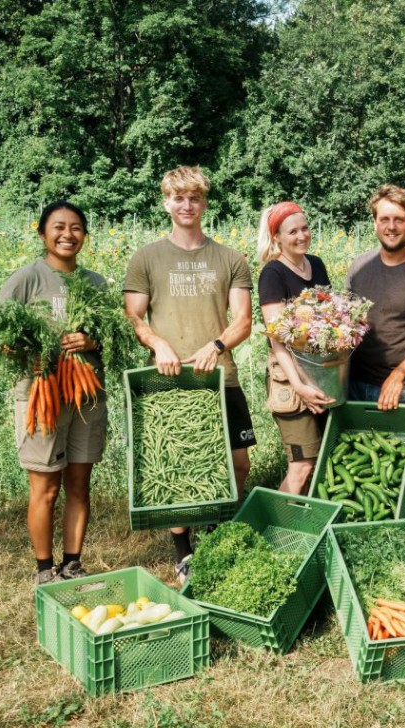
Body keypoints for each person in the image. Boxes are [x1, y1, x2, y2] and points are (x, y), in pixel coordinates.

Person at [123, 166, 255, 584]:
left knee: (237, 464)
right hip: (169, 380)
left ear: (204, 203)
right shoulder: (146, 258)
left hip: (220, 377)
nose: (186, 205)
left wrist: (216, 346)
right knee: (176, 465)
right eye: (178, 198)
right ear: (166, 203)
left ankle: (216, 530)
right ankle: (184, 553)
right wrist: (159, 344)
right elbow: (134, 317)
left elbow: (244, 321)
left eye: (194, 198)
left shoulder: (230, 258)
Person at [0, 201, 107, 584]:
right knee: (45, 486)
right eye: (58, 227)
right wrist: (31, 352)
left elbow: (110, 338)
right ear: (42, 233)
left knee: (79, 482)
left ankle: (72, 563)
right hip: (40, 393)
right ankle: (45, 570)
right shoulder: (26, 278)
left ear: (84, 236)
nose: (67, 234)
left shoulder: (95, 283)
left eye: (76, 227)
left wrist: (90, 339)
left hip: (86, 396)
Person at [258, 201, 332, 495]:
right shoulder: (273, 274)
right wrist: (299, 385)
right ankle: (277, 533)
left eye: (305, 228)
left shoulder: (317, 264)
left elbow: (331, 319)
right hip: (290, 380)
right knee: (301, 465)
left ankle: (306, 527)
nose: (302, 236)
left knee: (320, 460)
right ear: (276, 236)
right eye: (292, 232)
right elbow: (277, 338)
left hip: (321, 374)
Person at [345, 185, 405, 410]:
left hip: (401, 389)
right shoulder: (359, 267)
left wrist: (399, 374)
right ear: (375, 223)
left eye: (399, 220)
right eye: (384, 219)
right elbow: (346, 323)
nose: (391, 227)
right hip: (354, 383)